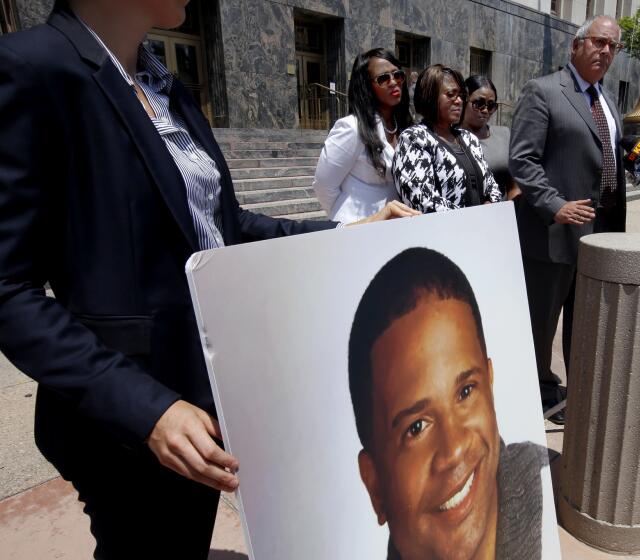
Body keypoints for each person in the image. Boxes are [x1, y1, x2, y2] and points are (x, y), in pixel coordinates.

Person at [0, 1, 415, 557]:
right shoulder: (31, 68)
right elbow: (9, 290)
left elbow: (229, 227)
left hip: (206, 399)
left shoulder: (164, 83)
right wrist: (148, 409)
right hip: (126, 423)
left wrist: (351, 233)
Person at [347, 247, 548, 560]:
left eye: (466, 392)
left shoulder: (549, 496)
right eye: (416, 428)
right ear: (375, 486)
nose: (453, 450)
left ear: (491, 388)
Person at [509, 14, 626, 424]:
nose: (606, 51)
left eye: (614, 46)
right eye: (599, 42)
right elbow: (522, 158)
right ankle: (538, 391)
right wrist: (553, 203)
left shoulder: (608, 100)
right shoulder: (543, 91)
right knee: (542, 323)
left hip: (601, 234)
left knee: (586, 318)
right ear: (576, 45)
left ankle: (578, 387)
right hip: (553, 234)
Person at [313, 48, 413, 222]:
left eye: (398, 75)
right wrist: (346, 217)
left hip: (396, 226)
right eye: (383, 78)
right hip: (358, 226)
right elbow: (323, 186)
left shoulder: (406, 127)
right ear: (366, 86)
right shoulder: (352, 128)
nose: (393, 82)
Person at [393, 64, 503, 212]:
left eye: (461, 96)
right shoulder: (414, 139)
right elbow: (420, 199)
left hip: (481, 229)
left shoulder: (469, 139)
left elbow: (492, 186)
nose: (459, 101)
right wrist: (468, 218)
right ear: (430, 96)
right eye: (451, 94)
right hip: (442, 232)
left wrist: (488, 208)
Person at [462, 75, 520, 201]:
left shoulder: (504, 135)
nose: (485, 110)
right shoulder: (451, 137)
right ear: (464, 100)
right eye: (479, 103)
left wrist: (511, 212)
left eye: (491, 105)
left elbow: (513, 185)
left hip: (500, 213)